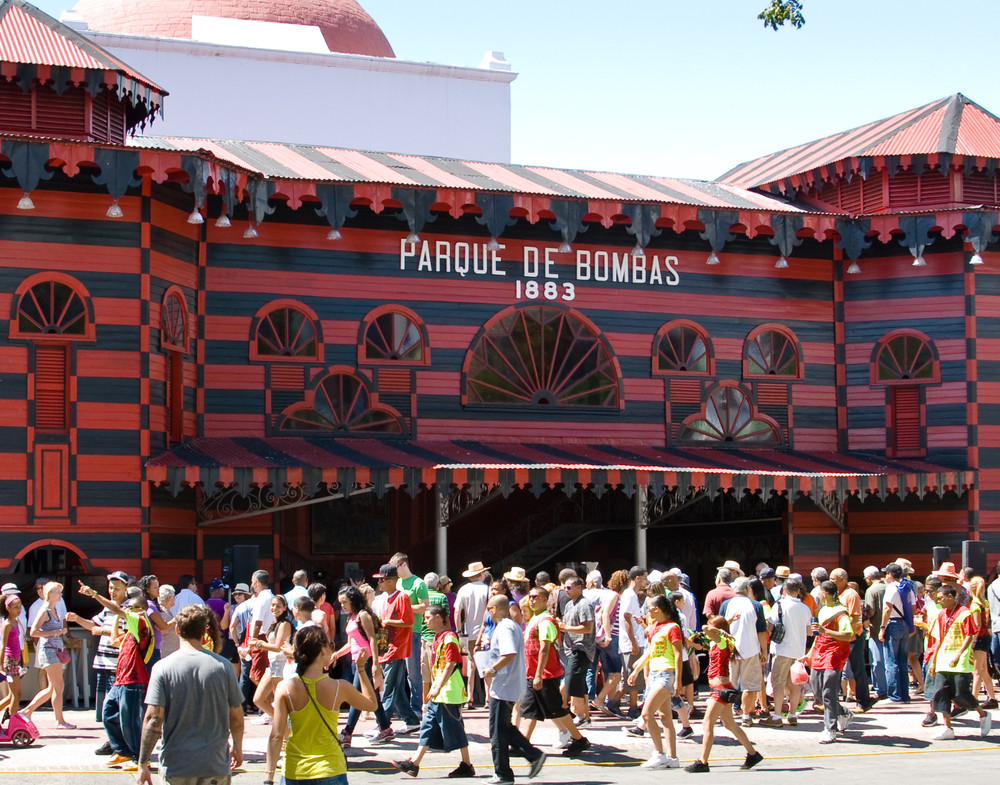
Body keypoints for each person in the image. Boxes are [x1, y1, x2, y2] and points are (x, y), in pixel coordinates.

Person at [136, 605, 244, 785]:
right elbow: (237, 718)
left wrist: (142, 763)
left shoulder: (163, 668)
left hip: (177, 766)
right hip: (215, 765)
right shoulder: (223, 666)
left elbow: (153, 719)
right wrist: (237, 748)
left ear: (177, 629)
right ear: (204, 631)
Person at [265, 625, 378, 785]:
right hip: (330, 768)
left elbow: (276, 736)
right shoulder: (339, 687)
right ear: (322, 651)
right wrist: (361, 669)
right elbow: (371, 704)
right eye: (329, 645)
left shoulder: (285, 688)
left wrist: (268, 777)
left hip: (295, 770)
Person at [391, 604, 475, 778]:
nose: (425, 621)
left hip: (448, 693)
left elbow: (451, 664)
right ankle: (414, 763)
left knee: (455, 729)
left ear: (439, 618)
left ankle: (467, 764)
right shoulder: (438, 637)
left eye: (428, 617)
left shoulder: (449, 638)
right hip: (439, 693)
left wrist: (437, 686)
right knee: (428, 726)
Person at [79, 584, 154, 767]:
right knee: (109, 713)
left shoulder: (141, 621)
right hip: (121, 680)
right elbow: (113, 640)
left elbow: (115, 609)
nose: (125, 611)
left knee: (129, 720)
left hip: (133, 680)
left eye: (129, 608)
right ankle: (123, 751)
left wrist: (95, 594)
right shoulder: (130, 633)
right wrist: (116, 619)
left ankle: (140, 757)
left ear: (139, 609)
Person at [684, 616, 763, 773]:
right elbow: (710, 632)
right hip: (721, 687)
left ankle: (703, 762)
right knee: (729, 724)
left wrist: (717, 628)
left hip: (720, 688)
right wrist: (727, 623)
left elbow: (707, 629)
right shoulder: (720, 641)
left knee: (707, 724)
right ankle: (753, 754)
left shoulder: (721, 641)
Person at [482, 595, 546, 785]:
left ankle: (503, 773)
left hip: (504, 686)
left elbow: (509, 653)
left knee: (497, 732)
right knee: (503, 728)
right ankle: (532, 756)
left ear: (494, 609)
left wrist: (493, 669)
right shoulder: (510, 626)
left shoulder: (505, 627)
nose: (488, 612)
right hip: (506, 685)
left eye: (489, 608)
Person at [519, 586, 589, 757]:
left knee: (557, 710)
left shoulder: (546, 621)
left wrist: (538, 675)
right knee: (530, 711)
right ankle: (523, 744)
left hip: (545, 675)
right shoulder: (534, 619)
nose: (532, 600)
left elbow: (544, 648)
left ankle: (579, 739)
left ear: (545, 599)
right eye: (530, 597)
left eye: (535, 597)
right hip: (533, 674)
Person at [927, 583, 992, 739]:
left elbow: (969, 635)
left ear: (951, 597)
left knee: (960, 692)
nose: (939, 601)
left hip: (960, 659)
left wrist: (958, 654)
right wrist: (934, 661)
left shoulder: (964, 612)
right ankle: (947, 727)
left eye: (941, 598)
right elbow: (939, 639)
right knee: (941, 692)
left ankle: (983, 714)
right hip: (943, 658)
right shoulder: (942, 614)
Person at [625, 595, 682, 769]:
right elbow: (650, 652)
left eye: (649, 607)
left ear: (657, 609)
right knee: (664, 717)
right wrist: (636, 670)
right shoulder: (655, 627)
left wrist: (678, 681)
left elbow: (678, 654)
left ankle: (659, 754)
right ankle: (672, 757)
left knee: (647, 714)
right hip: (655, 674)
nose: (647, 610)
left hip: (666, 674)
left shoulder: (673, 627)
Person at [335, 585, 392, 745]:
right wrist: (337, 654)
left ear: (353, 600)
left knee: (357, 696)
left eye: (344, 602)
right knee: (371, 696)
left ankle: (347, 732)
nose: (342, 606)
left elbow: (372, 639)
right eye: (340, 603)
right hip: (356, 661)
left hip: (365, 661)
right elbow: (351, 643)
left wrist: (375, 664)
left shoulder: (363, 615)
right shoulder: (352, 617)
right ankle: (385, 728)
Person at [375, 563, 421, 732]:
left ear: (390, 581)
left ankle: (383, 726)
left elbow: (409, 621)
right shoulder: (386, 599)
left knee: (388, 688)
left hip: (397, 649)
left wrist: (388, 622)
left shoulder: (402, 597)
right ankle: (411, 720)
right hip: (388, 648)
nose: (379, 584)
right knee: (397, 689)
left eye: (381, 580)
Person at [22, 580, 75, 730]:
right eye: (58, 592)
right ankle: (58, 720)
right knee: (58, 686)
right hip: (48, 650)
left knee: (54, 687)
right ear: (50, 594)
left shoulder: (54, 610)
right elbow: (33, 632)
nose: (60, 595)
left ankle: (28, 711)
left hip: (55, 650)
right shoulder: (44, 610)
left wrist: (62, 632)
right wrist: (55, 633)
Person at [810, 580, 854, 743]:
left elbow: (847, 634)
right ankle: (842, 712)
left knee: (829, 690)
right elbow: (818, 635)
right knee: (817, 689)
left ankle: (830, 728)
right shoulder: (822, 610)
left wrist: (825, 630)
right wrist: (809, 653)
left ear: (824, 594)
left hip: (834, 652)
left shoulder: (840, 611)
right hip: (819, 650)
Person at [766, 576, 812, 726]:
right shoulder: (805, 608)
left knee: (778, 683)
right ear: (798, 591)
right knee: (794, 684)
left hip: (782, 649)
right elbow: (809, 631)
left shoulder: (779, 605)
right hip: (798, 651)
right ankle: (793, 714)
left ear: (784, 590)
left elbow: (770, 627)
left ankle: (777, 716)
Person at [722, 577, 767, 727]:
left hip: (730, 650)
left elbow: (720, 628)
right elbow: (761, 631)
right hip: (751, 649)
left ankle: (727, 715)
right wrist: (764, 651)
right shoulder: (756, 605)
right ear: (748, 588)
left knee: (730, 684)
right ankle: (746, 715)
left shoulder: (726, 605)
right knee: (749, 685)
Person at [390, 552, 428, 719]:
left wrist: (404, 608)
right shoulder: (397, 582)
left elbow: (424, 607)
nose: (394, 572)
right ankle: (402, 708)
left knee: (413, 673)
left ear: (404, 565)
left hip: (413, 632)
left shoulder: (418, 583)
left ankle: (416, 708)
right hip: (397, 632)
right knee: (397, 672)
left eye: (395, 568)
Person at [830, 568, 874, 712]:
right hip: (841, 637)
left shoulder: (851, 594)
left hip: (853, 637)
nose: (830, 581)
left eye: (833, 579)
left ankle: (863, 702)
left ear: (842, 579)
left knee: (858, 670)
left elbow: (855, 618)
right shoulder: (838, 594)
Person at [557, 576, 595, 726]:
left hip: (581, 648)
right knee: (578, 682)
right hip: (569, 648)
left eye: (569, 587)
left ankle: (579, 715)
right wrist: (561, 624)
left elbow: (587, 627)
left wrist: (566, 628)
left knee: (573, 681)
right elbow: (567, 624)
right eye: (565, 587)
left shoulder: (584, 604)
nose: (566, 590)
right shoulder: (569, 605)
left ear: (579, 587)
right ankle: (585, 716)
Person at [251, 593, 293, 721]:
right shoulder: (275, 623)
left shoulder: (284, 624)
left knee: (280, 701)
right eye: (273, 605)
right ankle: (280, 722)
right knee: (258, 699)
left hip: (280, 664)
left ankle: (284, 730)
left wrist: (258, 643)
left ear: (285, 607)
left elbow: (277, 646)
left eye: (278, 606)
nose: (274, 608)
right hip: (272, 664)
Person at [454, 561, 490, 708]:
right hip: (486, 632)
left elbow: (457, 611)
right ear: (481, 574)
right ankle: (488, 698)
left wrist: (458, 631)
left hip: (467, 632)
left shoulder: (463, 590)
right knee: (487, 663)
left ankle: (469, 697)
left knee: (470, 664)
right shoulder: (488, 589)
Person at [879, 562, 914, 703]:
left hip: (893, 624)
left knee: (891, 661)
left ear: (890, 575)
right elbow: (913, 608)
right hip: (905, 623)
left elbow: (887, 609)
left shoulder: (891, 588)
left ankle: (894, 695)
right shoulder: (907, 587)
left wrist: (882, 627)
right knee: (902, 660)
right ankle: (904, 694)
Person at [618, 566, 648, 721]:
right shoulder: (630, 596)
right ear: (637, 578)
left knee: (632, 675)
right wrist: (633, 642)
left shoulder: (632, 595)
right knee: (633, 676)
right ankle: (632, 707)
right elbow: (626, 619)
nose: (646, 581)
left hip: (633, 639)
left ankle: (615, 702)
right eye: (644, 577)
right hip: (631, 642)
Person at [967, 576, 997, 707]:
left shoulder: (975, 604)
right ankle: (992, 697)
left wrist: (971, 641)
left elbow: (977, 625)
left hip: (978, 638)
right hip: (985, 637)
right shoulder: (984, 602)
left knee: (977, 670)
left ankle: (973, 699)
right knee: (983, 669)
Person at [863, 565, 887, 699]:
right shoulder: (888, 587)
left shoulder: (871, 590)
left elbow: (870, 611)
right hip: (890, 629)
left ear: (869, 578)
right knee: (889, 660)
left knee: (877, 660)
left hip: (876, 628)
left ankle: (880, 688)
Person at [0, 594, 24, 721]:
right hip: (9, 660)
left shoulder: (16, 621)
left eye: (20, 607)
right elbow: (3, 645)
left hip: (15, 659)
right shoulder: (7, 624)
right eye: (15, 607)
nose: (19, 610)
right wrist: (1, 665)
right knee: (17, 694)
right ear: (8, 608)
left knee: (12, 695)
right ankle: (14, 720)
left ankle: (11, 717)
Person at [158, 585, 180, 659]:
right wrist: (175, 620)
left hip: (169, 653)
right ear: (169, 598)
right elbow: (163, 629)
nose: (175, 599)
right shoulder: (162, 612)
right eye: (174, 596)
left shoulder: (166, 611)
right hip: (165, 654)